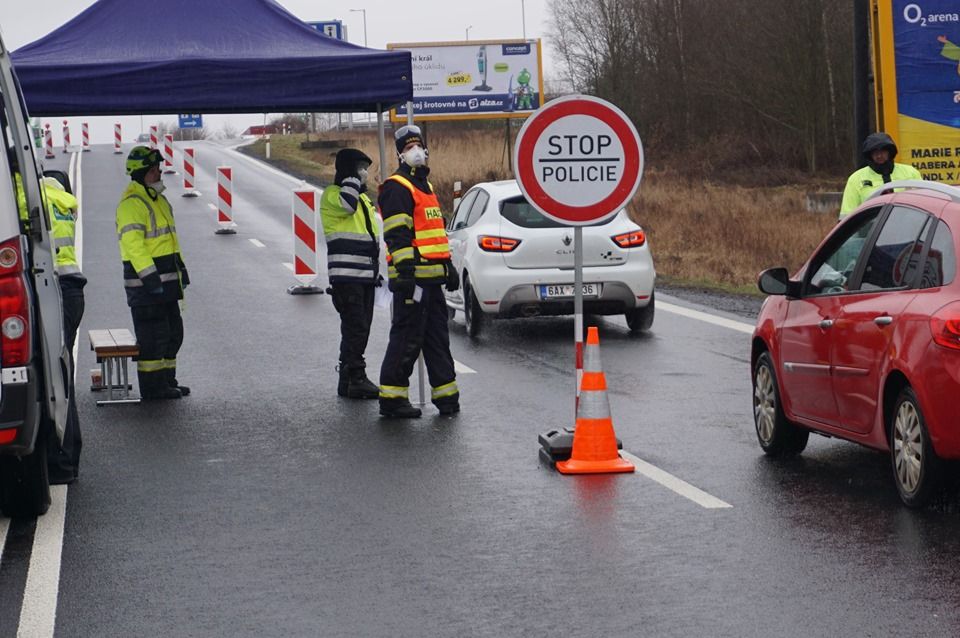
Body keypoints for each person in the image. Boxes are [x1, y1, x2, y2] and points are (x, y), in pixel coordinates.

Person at [377, 125, 461, 418]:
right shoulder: (397, 187)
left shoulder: (427, 187)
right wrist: (405, 270)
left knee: (438, 339)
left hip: (432, 280)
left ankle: (448, 398)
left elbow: (435, 235)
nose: (415, 151)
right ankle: (392, 398)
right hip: (413, 282)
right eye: (408, 146)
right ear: (400, 153)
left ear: (425, 149)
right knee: (407, 339)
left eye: (418, 146)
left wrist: (448, 266)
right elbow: (396, 234)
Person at [116, 146, 190, 400]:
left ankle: (167, 380)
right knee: (153, 338)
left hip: (166, 283)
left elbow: (169, 240)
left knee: (172, 334)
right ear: (143, 173)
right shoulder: (131, 204)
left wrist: (181, 270)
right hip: (146, 287)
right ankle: (152, 388)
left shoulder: (156, 199)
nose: (159, 172)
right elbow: (133, 246)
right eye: (155, 168)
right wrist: (150, 279)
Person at [321, 148, 381, 399]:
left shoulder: (363, 199)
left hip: (364, 275)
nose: (364, 173)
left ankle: (347, 379)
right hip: (346, 276)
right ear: (347, 171)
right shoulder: (333, 195)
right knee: (355, 328)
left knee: (360, 328)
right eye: (359, 168)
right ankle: (355, 377)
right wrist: (351, 180)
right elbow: (347, 206)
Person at [42, 176, 85, 483]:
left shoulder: (22, 195)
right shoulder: (61, 201)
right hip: (70, 291)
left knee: (53, 381)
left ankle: (60, 463)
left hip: (51, 292)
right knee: (61, 378)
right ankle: (66, 460)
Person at [839, 132, 922, 218]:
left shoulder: (910, 173)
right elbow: (846, 215)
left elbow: (923, 204)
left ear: (890, 152)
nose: (879, 155)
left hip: (909, 226)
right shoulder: (856, 179)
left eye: (882, 151)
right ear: (869, 155)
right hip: (872, 228)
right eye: (875, 152)